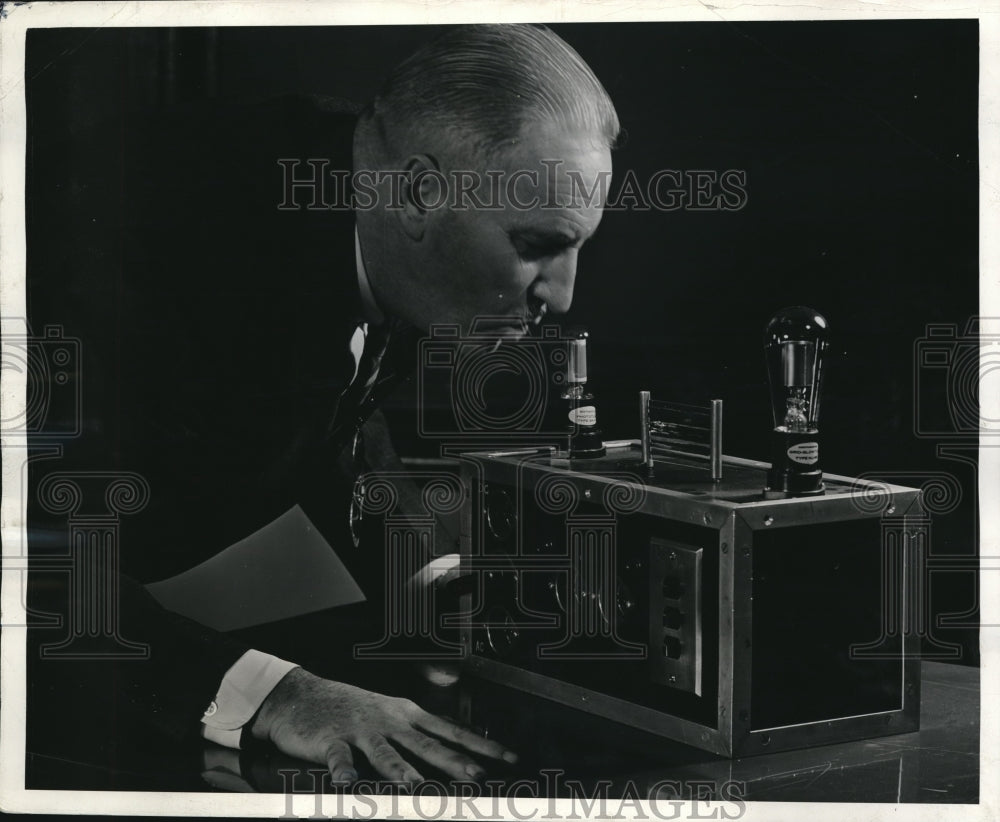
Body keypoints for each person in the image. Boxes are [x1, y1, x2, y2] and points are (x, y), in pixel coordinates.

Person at [27, 23, 619, 788]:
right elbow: (25, 560)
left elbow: (340, 398)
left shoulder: (380, 189)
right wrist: (278, 695)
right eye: (537, 243)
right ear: (417, 193)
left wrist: (430, 582)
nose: (562, 295)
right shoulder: (133, 240)